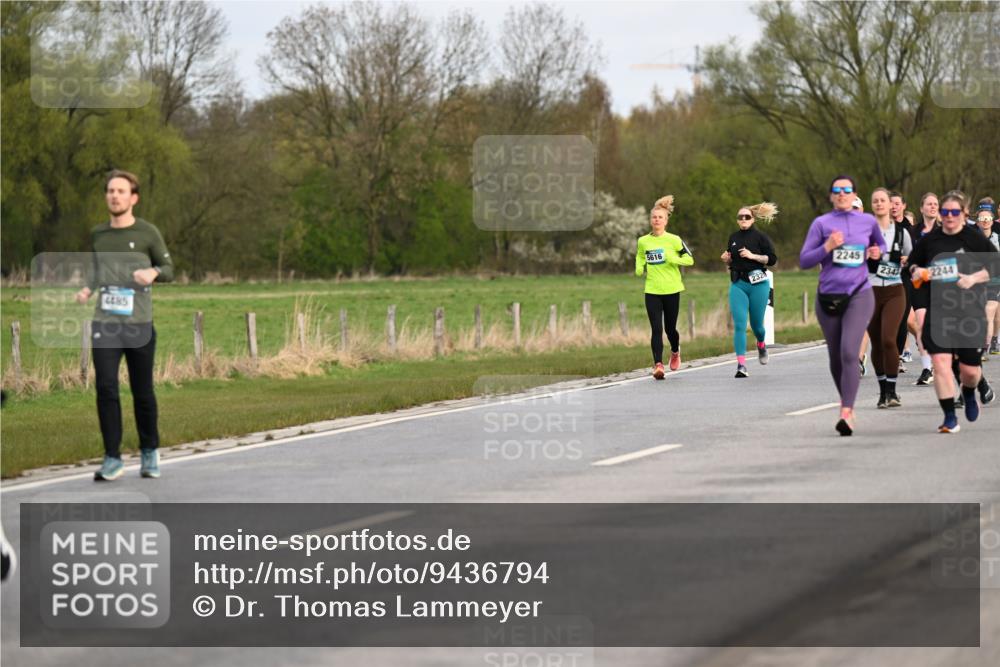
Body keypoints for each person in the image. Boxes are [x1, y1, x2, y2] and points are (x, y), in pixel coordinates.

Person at [75, 170, 174, 480]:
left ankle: (149, 452)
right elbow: (96, 270)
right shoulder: (98, 234)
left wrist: (154, 273)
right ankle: (112, 457)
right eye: (110, 191)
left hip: (139, 324)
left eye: (120, 191)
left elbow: (169, 268)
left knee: (142, 391)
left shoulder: (148, 233)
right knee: (105, 388)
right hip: (105, 323)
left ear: (133, 198)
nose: (114, 195)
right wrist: (88, 288)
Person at [800, 175, 886, 436]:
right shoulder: (821, 224)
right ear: (831, 196)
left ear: (854, 194)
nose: (842, 194)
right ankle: (846, 402)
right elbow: (804, 260)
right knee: (836, 357)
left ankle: (846, 412)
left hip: (859, 293)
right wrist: (827, 246)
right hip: (827, 295)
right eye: (836, 190)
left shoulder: (867, 221)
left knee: (850, 352)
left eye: (846, 190)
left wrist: (877, 252)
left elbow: (879, 243)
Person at [907, 191, 998, 433]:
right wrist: (916, 271)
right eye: (944, 212)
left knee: (969, 372)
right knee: (940, 363)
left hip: (970, 311)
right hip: (940, 310)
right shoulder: (930, 240)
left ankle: (968, 393)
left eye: (954, 212)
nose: (948, 216)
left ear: (964, 214)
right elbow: (914, 264)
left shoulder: (974, 238)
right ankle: (949, 417)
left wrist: (973, 278)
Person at [636, 195, 694, 379]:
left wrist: (674, 259)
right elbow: (640, 255)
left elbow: (689, 259)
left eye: (660, 217)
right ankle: (658, 365)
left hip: (672, 289)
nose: (657, 220)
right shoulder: (643, 241)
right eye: (654, 217)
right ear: (650, 220)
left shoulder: (674, 240)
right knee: (656, 329)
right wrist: (639, 265)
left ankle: (675, 350)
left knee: (670, 329)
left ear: (666, 220)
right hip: (652, 290)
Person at [865, 188, 912, 407]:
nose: (880, 204)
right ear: (872, 205)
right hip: (870, 291)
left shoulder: (902, 233)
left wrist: (907, 259)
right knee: (876, 342)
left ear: (891, 205)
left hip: (895, 290)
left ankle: (892, 391)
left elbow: (914, 258)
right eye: (875, 201)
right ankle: (883, 390)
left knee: (888, 339)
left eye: (883, 200)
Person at [721, 202, 778, 378]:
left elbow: (772, 259)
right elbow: (732, 260)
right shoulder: (733, 237)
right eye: (740, 217)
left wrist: (753, 256)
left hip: (759, 285)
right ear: (738, 220)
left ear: (752, 219)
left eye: (747, 217)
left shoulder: (761, 238)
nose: (744, 219)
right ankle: (741, 365)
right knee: (739, 324)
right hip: (738, 284)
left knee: (757, 326)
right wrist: (727, 260)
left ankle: (761, 344)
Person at [910, 192, 941, 386]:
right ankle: (927, 367)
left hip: (941, 284)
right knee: (921, 323)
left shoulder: (945, 230)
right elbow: (907, 256)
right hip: (919, 285)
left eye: (935, 204)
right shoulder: (912, 232)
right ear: (921, 208)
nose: (932, 207)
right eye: (928, 204)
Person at [890, 191, 917, 364]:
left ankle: (898, 354)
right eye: (891, 203)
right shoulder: (880, 226)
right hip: (884, 278)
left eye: (897, 203)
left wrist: (909, 258)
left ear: (903, 206)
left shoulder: (911, 229)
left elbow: (919, 254)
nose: (893, 206)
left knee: (902, 319)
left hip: (906, 278)